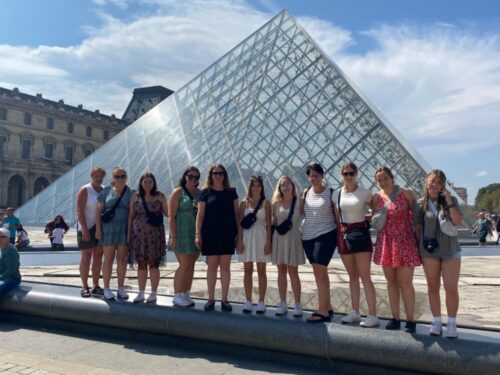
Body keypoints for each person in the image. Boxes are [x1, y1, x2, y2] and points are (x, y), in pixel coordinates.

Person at [372, 166, 421, 333]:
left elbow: (417, 217)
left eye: (385, 178)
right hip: (386, 242)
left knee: (406, 283)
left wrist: (419, 240)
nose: (383, 182)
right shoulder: (376, 198)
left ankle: (410, 320)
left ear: (392, 177)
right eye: (379, 179)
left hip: (405, 241)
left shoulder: (406, 193)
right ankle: (395, 318)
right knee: (391, 282)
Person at [415, 170, 463, 338]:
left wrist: (448, 200)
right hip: (429, 251)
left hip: (450, 249)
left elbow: (457, 221)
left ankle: (451, 323)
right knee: (432, 287)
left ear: (443, 184)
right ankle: (436, 322)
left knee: (451, 288)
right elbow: (418, 229)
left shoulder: (451, 200)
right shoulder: (420, 203)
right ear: (426, 182)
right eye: (433, 181)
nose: (435, 184)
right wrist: (418, 251)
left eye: (439, 182)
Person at [335, 162, 379, 328]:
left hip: (360, 233)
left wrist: (367, 219)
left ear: (356, 174)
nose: (348, 176)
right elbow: (337, 215)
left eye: (351, 173)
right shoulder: (337, 194)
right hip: (344, 234)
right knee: (352, 276)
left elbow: (376, 210)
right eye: (345, 174)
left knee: (365, 276)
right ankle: (355, 311)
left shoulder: (365, 193)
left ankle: (373, 314)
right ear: (341, 175)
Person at [195, 164, 240, 312]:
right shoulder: (205, 192)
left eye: (220, 173)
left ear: (224, 175)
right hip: (210, 233)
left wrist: (239, 235)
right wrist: (198, 234)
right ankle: (211, 299)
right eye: (215, 173)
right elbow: (200, 215)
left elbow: (237, 214)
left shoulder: (232, 192)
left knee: (225, 268)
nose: (218, 175)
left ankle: (225, 299)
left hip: (227, 233)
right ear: (211, 175)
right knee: (212, 267)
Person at [300, 163, 337, 323]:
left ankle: (323, 311)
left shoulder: (331, 193)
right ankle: (327, 305)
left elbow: (337, 216)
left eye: (316, 175)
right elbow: (301, 212)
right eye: (311, 175)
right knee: (320, 273)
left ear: (322, 176)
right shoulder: (306, 192)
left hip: (326, 234)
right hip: (307, 237)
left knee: (320, 271)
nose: (313, 178)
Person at [128, 173, 168, 304]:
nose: (147, 184)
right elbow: (131, 216)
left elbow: (168, 213)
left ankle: (154, 292)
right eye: (145, 182)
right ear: (141, 183)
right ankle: (141, 292)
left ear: (154, 183)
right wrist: (128, 234)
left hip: (155, 236)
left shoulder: (160, 196)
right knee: (141, 264)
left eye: (150, 182)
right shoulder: (135, 196)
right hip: (138, 236)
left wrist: (165, 200)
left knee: (153, 264)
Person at [96, 166, 133, 301]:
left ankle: (121, 287)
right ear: (113, 178)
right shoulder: (106, 191)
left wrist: (129, 232)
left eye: (123, 176)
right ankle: (106, 287)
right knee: (108, 259)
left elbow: (132, 214)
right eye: (117, 176)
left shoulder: (131, 192)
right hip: (108, 229)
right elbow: (99, 211)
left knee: (122, 260)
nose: (120, 179)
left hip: (123, 229)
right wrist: (98, 230)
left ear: (126, 177)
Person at [238, 176, 272, 314]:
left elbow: (269, 224)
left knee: (261, 271)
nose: (256, 188)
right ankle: (248, 300)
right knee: (247, 270)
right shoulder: (243, 203)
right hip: (247, 237)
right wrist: (239, 241)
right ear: (250, 187)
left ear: (262, 187)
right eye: (253, 185)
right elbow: (240, 224)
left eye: (258, 185)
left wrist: (268, 241)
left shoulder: (266, 203)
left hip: (261, 237)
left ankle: (261, 301)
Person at [272, 176, 305, 317]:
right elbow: (272, 223)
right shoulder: (275, 203)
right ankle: (283, 302)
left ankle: (297, 303)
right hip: (279, 239)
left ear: (293, 186)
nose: (286, 186)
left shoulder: (299, 202)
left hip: (293, 239)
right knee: (281, 271)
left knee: (293, 272)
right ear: (279, 188)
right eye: (283, 184)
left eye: (288, 184)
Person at [168, 167, 202, 307]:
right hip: (181, 232)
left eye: (196, 177)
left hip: (195, 232)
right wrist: (173, 236)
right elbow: (171, 216)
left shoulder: (200, 193)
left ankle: (186, 292)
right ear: (185, 177)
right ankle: (177, 294)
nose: (193, 179)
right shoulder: (178, 192)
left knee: (191, 265)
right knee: (184, 265)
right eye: (190, 176)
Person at [76, 167, 106, 298]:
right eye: (96, 176)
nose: (98, 178)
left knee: (98, 256)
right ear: (91, 176)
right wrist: (84, 229)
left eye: (101, 176)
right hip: (86, 227)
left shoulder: (105, 190)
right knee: (86, 257)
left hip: (99, 227)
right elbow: (79, 210)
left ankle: (95, 284)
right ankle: (84, 285)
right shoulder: (85, 190)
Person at [0, 228, 21, 299]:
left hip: (12, 278)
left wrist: (0, 278)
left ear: (8, 238)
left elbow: (11, 270)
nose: (0, 238)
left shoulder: (11, 250)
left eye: (3, 237)